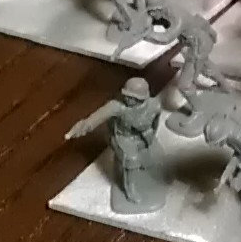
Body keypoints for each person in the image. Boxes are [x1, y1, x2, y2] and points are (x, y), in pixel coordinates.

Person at [65, 77, 167, 213]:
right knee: (132, 159)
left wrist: (151, 135)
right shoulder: (117, 106)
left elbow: (156, 120)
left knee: (149, 156)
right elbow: (96, 118)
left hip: (143, 136)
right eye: (127, 95)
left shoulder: (154, 105)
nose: (128, 99)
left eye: (133, 97)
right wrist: (82, 128)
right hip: (124, 137)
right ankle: (130, 188)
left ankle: (143, 162)